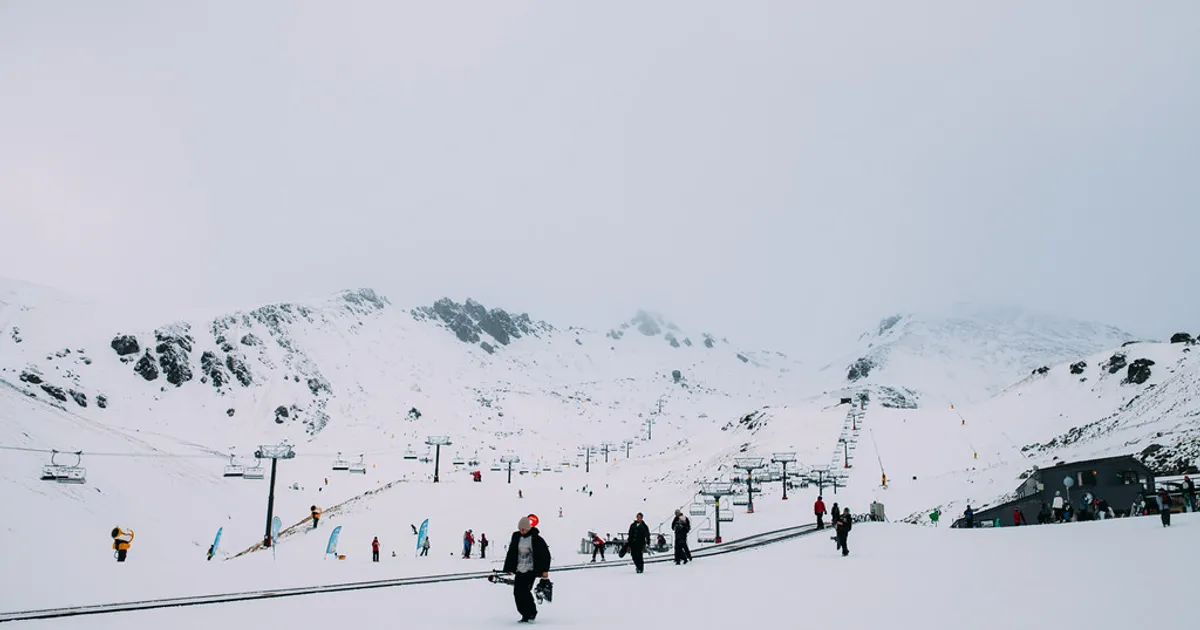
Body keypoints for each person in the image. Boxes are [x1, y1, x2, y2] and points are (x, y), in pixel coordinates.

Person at [502, 516, 551, 623]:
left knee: (524, 592)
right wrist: (509, 567)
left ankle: (531, 613)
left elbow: (545, 555)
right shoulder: (516, 537)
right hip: (520, 569)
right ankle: (524, 614)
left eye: (523, 529)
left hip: (531, 570)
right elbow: (512, 553)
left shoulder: (536, 539)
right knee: (517, 593)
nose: (521, 531)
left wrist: (545, 570)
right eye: (520, 529)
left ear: (528, 528)